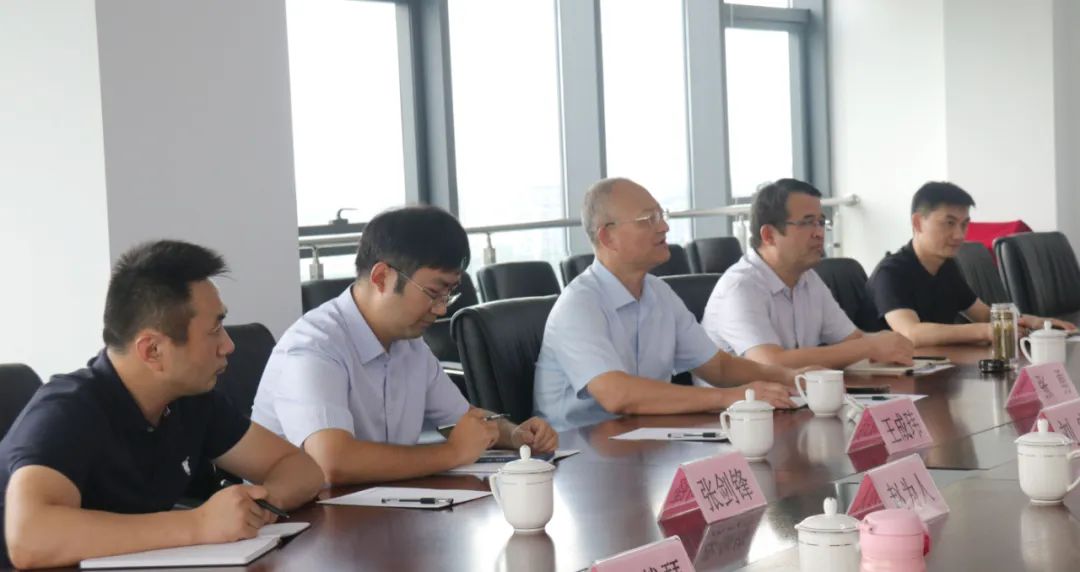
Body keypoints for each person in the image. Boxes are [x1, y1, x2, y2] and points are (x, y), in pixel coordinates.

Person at [0, 240, 323, 570]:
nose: (228, 345)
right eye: (214, 330)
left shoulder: (191, 399)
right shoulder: (66, 411)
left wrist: (260, 507)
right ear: (152, 350)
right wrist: (199, 524)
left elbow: (301, 469)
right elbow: (29, 539)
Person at [252, 206, 558, 485]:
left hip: (377, 508)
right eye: (433, 293)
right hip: (297, 519)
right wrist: (451, 453)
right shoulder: (314, 347)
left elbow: (463, 420)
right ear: (381, 277)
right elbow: (332, 462)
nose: (441, 309)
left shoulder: (410, 345)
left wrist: (514, 434)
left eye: (449, 295)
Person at [533, 177, 801, 431]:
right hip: (579, 449)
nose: (664, 227)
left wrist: (790, 377)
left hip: (645, 438)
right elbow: (617, 395)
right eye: (648, 219)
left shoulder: (659, 292)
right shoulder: (579, 305)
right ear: (607, 237)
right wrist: (729, 397)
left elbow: (719, 367)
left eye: (661, 216)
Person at [702, 178, 913, 369]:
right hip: (738, 400)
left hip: (795, 395)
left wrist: (885, 345)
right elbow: (771, 363)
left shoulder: (808, 279)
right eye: (806, 223)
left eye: (821, 222)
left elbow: (852, 341)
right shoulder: (740, 287)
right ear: (769, 235)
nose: (819, 233)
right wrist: (869, 347)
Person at [866, 181, 1075, 346]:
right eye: (949, 223)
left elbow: (983, 315)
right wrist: (985, 331)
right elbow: (911, 333)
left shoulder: (946, 266)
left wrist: (1034, 322)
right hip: (886, 381)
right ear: (918, 223)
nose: (959, 235)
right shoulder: (890, 273)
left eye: (964, 224)